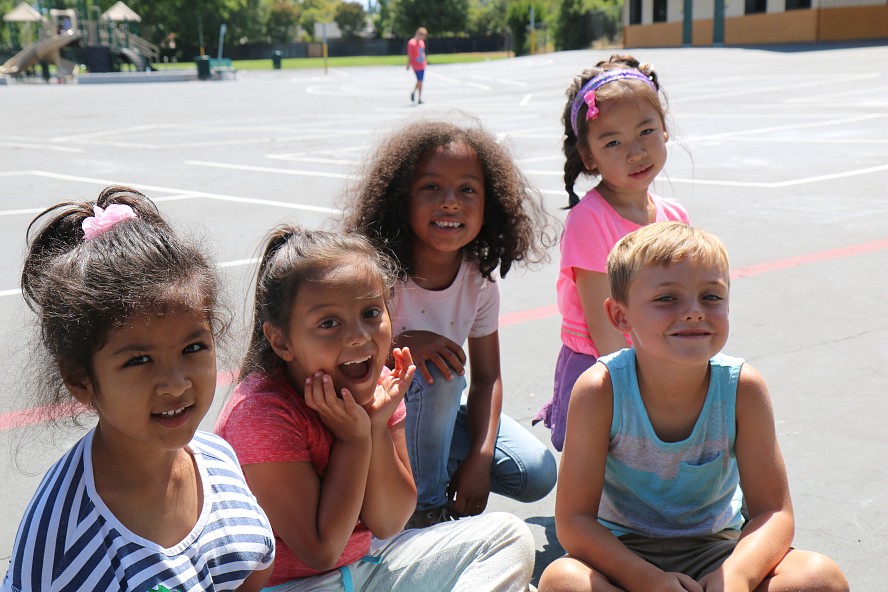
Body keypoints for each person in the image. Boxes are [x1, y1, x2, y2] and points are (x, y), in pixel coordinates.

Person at [214, 226, 536, 591]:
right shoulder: (262, 413)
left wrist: (376, 425)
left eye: (370, 312)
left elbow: (390, 521)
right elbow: (321, 551)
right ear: (281, 340)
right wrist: (354, 440)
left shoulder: (375, 385)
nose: (358, 336)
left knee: (509, 536)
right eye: (328, 323)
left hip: (367, 567)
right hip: (295, 584)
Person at [538, 222, 849, 592]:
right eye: (667, 298)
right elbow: (574, 521)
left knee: (819, 578)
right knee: (562, 582)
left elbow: (774, 512)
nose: (694, 312)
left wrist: (736, 576)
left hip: (719, 549)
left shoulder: (741, 388)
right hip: (623, 554)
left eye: (711, 297)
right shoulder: (600, 389)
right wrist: (646, 580)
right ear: (621, 316)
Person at [3, 186, 275, 591]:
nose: (175, 383)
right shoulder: (64, 538)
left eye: (193, 347)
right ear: (81, 380)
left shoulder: (219, 459)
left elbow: (252, 569)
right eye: (138, 360)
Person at [343, 119, 558, 528]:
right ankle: (423, 513)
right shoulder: (374, 275)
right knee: (439, 372)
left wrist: (479, 457)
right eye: (430, 187)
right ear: (400, 198)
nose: (450, 202)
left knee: (536, 472)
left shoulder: (478, 281)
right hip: (370, 419)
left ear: (487, 206)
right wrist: (398, 344)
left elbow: (487, 379)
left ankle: (432, 470)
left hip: (438, 409)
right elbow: (339, 358)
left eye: (467, 190)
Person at [532, 54, 691, 452]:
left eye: (646, 131)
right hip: (605, 371)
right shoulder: (590, 221)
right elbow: (607, 337)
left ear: (665, 130)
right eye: (613, 142)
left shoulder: (675, 216)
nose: (635, 152)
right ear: (589, 157)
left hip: (659, 362)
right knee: (604, 482)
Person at [406, 27, 428, 103]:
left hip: (422, 64)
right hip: (416, 65)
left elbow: (423, 52)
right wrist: (408, 64)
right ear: (418, 34)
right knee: (419, 80)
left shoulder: (421, 42)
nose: (423, 38)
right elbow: (410, 55)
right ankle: (418, 98)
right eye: (422, 35)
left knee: (420, 81)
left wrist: (425, 61)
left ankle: (416, 95)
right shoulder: (411, 43)